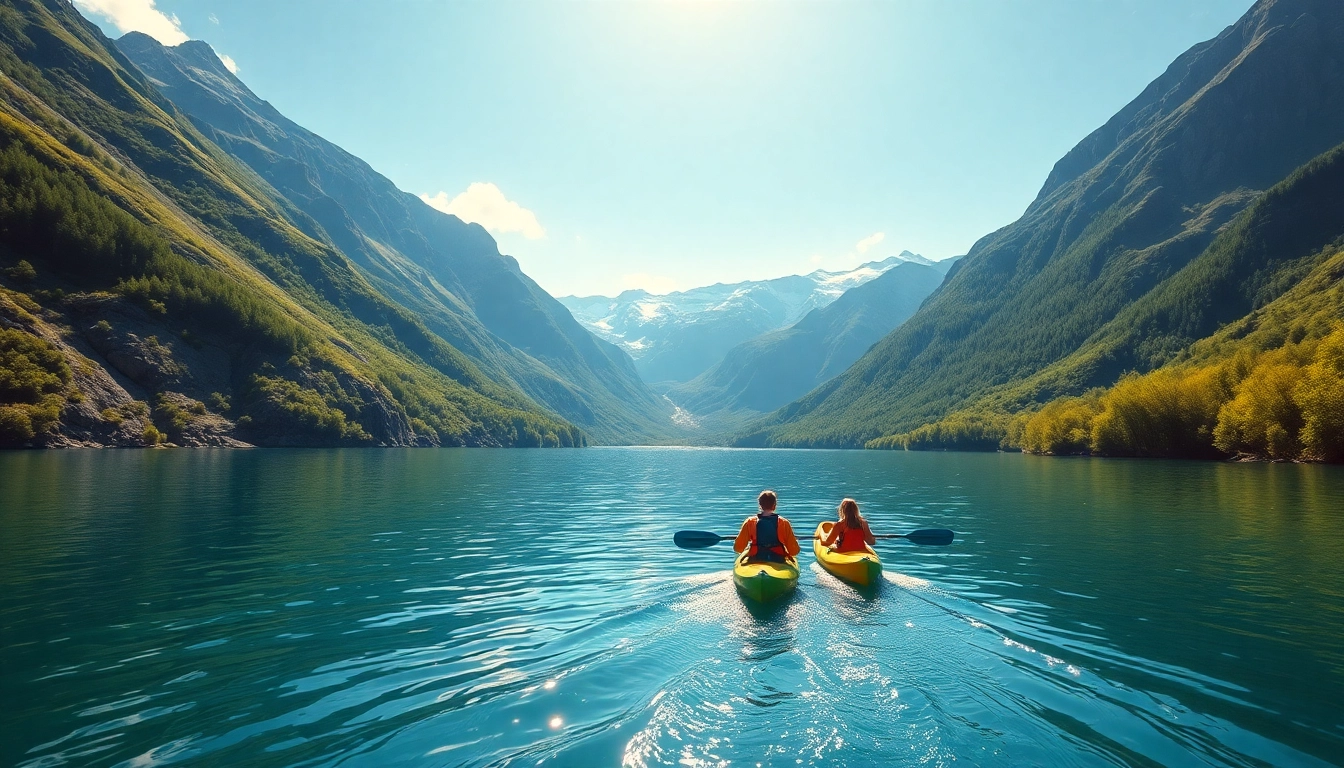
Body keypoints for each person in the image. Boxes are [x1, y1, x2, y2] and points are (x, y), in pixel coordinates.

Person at [733, 490, 801, 563]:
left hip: (755, 558)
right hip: (778, 560)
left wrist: (749, 548)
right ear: (774, 505)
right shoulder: (784, 523)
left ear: (760, 505)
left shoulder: (750, 522)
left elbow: (738, 548)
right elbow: (794, 551)